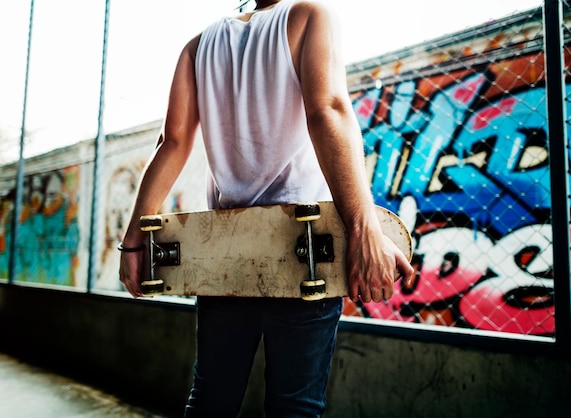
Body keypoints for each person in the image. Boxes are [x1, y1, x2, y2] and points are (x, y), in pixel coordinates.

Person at [118, 0, 414, 416]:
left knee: (211, 401)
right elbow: (326, 110)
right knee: (294, 407)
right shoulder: (310, 15)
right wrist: (364, 227)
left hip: (224, 254)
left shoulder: (197, 46)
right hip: (304, 250)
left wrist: (132, 243)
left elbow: (173, 142)